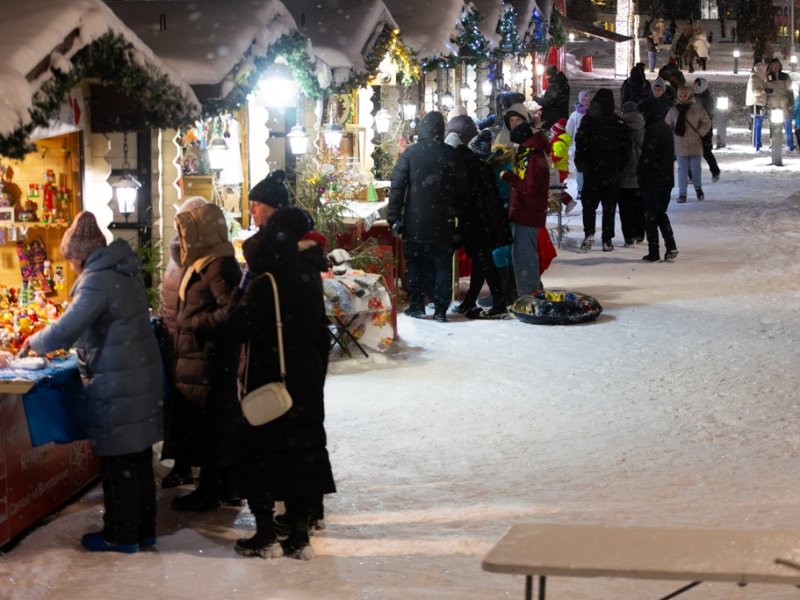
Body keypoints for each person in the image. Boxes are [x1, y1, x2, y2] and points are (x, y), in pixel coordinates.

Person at [24, 211, 163, 553]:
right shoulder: (121, 271)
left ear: (80, 256)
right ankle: (144, 530)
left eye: (70, 259)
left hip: (118, 385)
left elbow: (68, 328)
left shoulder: (97, 279)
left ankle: (120, 534)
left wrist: (34, 341)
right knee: (138, 460)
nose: (70, 266)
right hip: (136, 379)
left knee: (118, 463)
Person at [225, 206, 335, 561]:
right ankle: (299, 533)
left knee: (259, 453)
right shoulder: (308, 274)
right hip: (305, 376)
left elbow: (236, 327)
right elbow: (322, 332)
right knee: (302, 454)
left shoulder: (265, 280)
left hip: (269, 373)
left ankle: (266, 533)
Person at [170, 200, 243, 512]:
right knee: (211, 424)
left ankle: (210, 489)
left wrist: (194, 324)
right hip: (200, 359)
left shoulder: (218, 265)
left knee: (211, 426)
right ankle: (223, 485)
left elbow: (234, 311)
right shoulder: (206, 262)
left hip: (208, 359)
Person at [387, 111, 467, 323]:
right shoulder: (451, 155)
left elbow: (397, 187)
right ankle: (441, 308)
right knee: (442, 265)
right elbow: (462, 192)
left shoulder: (410, 154)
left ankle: (416, 304)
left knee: (415, 264)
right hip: (444, 222)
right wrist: (461, 221)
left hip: (415, 222)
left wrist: (393, 217)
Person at [156, 197, 207, 490]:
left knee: (184, 410)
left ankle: (186, 464)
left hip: (181, 344)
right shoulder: (191, 256)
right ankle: (189, 465)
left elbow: (172, 304)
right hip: (186, 345)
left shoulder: (184, 257)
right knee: (188, 410)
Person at [445, 118, 512, 319]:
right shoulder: (475, 163)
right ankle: (470, 300)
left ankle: (499, 303)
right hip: (486, 217)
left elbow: (461, 195)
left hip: (476, 219)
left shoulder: (461, 165)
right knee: (481, 260)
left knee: (484, 260)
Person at [573, 88, 631, 252]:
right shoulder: (618, 122)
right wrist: (620, 165)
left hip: (592, 170)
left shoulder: (588, 120)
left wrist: (581, 163)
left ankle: (589, 234)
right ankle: (607, 238)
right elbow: (626, 147)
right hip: (611, 170)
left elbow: (580, 142)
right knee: (609, 206)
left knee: (589, 204)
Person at [500, 122, 550, 295]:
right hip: (527, 212)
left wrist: (510, 178)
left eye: (516, 143)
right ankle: (531, 289)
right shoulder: (531, 155)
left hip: (528, 212)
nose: (514, 147)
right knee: (524, 254)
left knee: (524, 255)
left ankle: (529, 293)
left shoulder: (534, 158)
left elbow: (529, 188)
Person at [638, 98, 678, 262]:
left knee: (651, 215)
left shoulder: (652, 130)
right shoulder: (665, 127)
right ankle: (670, 244)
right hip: (666, 178)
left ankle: (654, 250)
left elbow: (648, 155)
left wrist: (641, 172)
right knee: (661, 212)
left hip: (653, 179)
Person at [664, 84, 711, 203]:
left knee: (696, 169)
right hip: (680, 144)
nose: (683, 96)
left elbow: (706, 122)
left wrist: (699, 133)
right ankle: (682, 193)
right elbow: (667, 125)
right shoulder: (673, 110)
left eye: (685, 94)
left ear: (689, 95)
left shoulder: (697, 108)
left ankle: (698, 188)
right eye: (681, 94)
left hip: (695, 143)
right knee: (682, 170)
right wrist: (671, 136)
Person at [618, 102, 646, 247]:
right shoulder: (644, 126)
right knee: (640, 206)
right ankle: (640, 233)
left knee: (625, 208)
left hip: (624, 174)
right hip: (641, 173)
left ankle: (629, 235)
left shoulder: (619, 126)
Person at [566, 90, 592, 204]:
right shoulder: (574, 115)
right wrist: (568, 146)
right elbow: (569, 132)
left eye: (588, 100)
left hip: (592, 147)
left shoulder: (593, 114)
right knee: (580, 170)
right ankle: (581, 189)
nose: (586, 102)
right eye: (584, 100)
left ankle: (590, 189)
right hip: (579, 147)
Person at [693, 77, 721, 182]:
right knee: (690, 152)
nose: (695, 87)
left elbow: (708, 115)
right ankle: (691, 175)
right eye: (695, 85)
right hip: (692, 129)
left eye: (698, 85)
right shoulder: (691, 97)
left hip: (705, 129)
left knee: (706, 151)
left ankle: (715, 171)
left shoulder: (707, 99)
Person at [765, 58, 796, 151]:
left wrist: (791, 102)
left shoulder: (785, 77)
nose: (776, 68)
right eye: (774, 66)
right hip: (772, 102)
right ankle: (773, 141)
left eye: (778, 66)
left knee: (787, 121)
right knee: (773, 123)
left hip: (784, 101)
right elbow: (765, 88)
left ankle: (789, 142)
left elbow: (790, 90)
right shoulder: (767, 77)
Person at [548, 117, 576, 214]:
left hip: (558, 170)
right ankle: (568, 201)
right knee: (556, 189)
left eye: (552, 132)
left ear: (557, 133)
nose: (551, 134)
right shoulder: (557, 141)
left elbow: (558, 154)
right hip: (560, 169)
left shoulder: (558, 142)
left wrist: (550, 157)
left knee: (554, 189)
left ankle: (556, 208)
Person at [534, 65, 570, 130]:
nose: (546, 78)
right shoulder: (563, 83)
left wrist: (536, 99)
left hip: (552, 117)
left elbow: (548, 102)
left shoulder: (553, 86)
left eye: (546, 76)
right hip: (561, 115)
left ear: (550, 76)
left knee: (552, 134)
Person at [746, 62, 768, 150]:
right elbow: (754, 91)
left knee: (757, 123)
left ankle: (757, 142)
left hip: (759, 102)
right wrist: (764, 91)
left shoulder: (760, 77)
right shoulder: (754, 78)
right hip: (755, 103)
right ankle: (756, 143)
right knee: (756, 123)